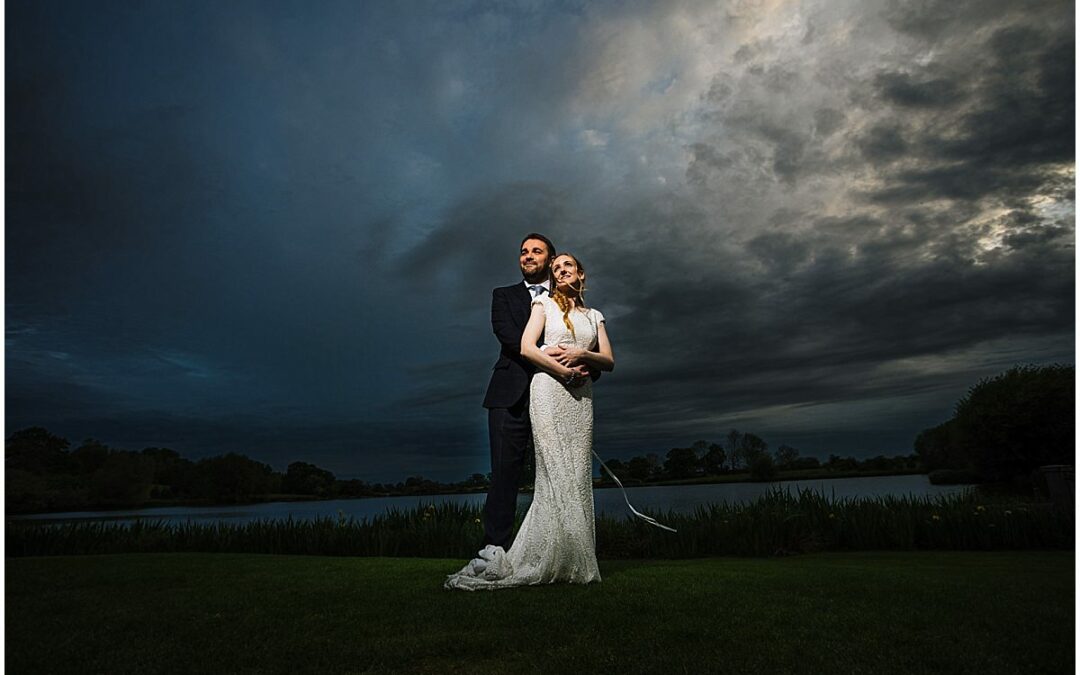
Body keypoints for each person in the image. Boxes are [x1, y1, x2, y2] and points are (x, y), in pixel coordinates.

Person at [445, 252, 610, 590]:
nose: (528, 256)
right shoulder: (517, 299)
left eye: (539, 252)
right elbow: (520, 343)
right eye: (524, 251)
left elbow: (605, 359)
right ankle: (498, 550)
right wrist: (563, 368)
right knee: (518, 472)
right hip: (528, 390)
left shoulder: (592, 314)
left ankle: (575, 556)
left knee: (576, 474)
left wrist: (582, 358)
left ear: (579, 272)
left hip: (577, 398)